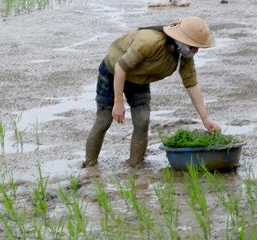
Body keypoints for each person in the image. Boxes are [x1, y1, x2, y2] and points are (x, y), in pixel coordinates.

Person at [83, 17, 220, 168]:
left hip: (139, 78)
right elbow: (120, 68)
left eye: (198, 48)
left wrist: (205, 118)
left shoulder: (184, 56)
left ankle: (136, 164)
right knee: (103, 120)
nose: (195, 51)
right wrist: (118, 102)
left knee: (142, 120)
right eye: (193, 47)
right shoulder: (150, 42)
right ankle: (90, 165)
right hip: (114, 71)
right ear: (182, 40)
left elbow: (192, 85)